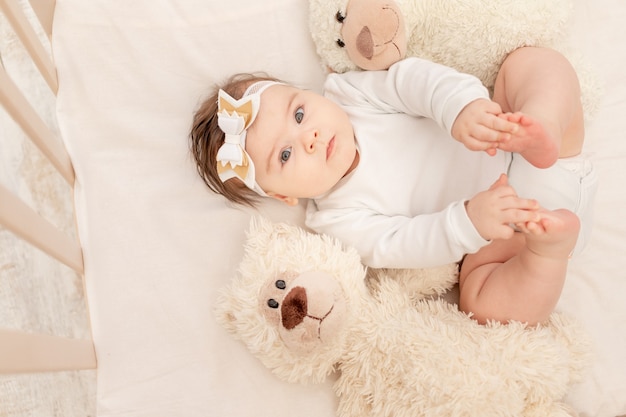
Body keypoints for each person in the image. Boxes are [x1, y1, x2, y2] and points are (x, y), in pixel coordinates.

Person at [189, 47, 597, 325]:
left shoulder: (350, 94)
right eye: (285, 155)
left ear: (309, 93)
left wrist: (462, 110)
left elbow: (415, 83)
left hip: (523, 140)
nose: (309, 137)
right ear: (283, 197)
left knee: (530, 65)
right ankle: (550, 255)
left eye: (299, 113)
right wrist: (470, 223)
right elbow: (403, 243)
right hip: (513, 234)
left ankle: (542, 120)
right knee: (480, 302)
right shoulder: (335, 221)